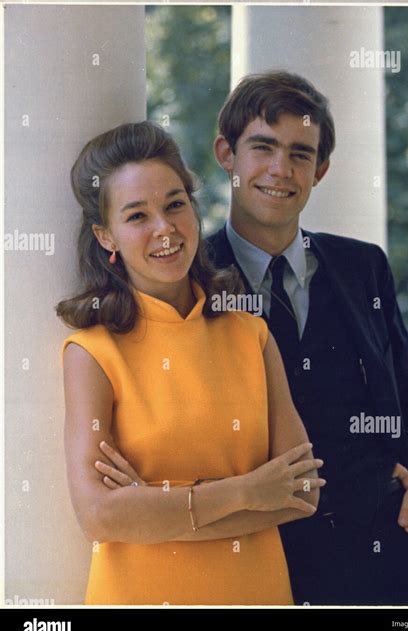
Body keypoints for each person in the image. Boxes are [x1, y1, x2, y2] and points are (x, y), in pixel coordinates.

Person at [206, 70, 408, 606]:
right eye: (263, 147)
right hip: (261, 567)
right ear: (226, 153)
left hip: (393, 569)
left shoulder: (362, 266)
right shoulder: (192, 279)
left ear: (320, 170)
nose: (281, 169)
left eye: (301, 154)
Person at [57, 121, 326, 606]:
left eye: (175, 204)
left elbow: (303, 493)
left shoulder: (251, 334)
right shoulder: (92, 352)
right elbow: (100, 515)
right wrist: (248, 490)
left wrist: (154, 509)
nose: (165, 228)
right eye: (137, 216)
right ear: (106, 236)